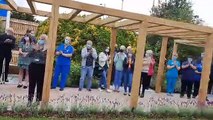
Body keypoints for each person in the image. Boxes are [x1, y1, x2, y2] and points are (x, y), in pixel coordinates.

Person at [27, 34, 47, 107]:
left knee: (40, 85)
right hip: (33, 66)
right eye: (40, 39)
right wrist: (34, 49)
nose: (41, 40)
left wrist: (42, 50)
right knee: (31, 84)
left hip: (41, 67)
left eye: (43, 39)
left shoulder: (46, 49)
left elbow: (44, 58)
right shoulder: (35, 47)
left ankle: (38, 100)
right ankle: (29, 100)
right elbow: (28, 55)